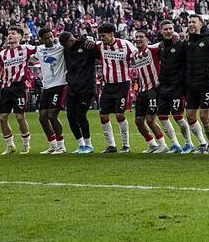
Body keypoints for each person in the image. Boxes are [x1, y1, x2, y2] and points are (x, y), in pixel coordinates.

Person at [0, 26, 35, 155]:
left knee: (20, 117)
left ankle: (26, 144)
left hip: (19, 87)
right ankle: (10, 145)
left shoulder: (26, 49)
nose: (10, 35)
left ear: (20, 36)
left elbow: (42, 51)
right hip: (6, 88)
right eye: (9, 33)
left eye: (13, 33)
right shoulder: (3, 53)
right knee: (2, 118)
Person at [154, 20, 193, 154]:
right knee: (162, 116)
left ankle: (189, 143)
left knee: (178, 116)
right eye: (166, 29)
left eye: (171, 28)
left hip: (177, 86)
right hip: (164, 86)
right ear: (161, 31)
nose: (169, 31)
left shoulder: (180, 44)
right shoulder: (160, 46)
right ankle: (175, 145)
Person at [95, 22, 136, 154]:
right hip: (108, 85)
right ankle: (111, 145)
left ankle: (126, 145)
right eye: (100, 36)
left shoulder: (126, 45)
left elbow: (137, 56)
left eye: (104, 36)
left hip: (122, 84)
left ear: (112, 34)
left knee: (119, 114)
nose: (102, 38)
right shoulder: (99, 46)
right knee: (103, 115)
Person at [60, 32, 100, 154]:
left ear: (71, 40)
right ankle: (81, 145)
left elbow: (99, 54)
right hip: (72, 88)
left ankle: (89, 145)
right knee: (71, 116)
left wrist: (93, 41)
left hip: (87, 88)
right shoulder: (66, 50)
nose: (66, 47)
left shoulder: (86, 44)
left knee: (81, 115)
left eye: (66, 44)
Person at [182, 15, 209, 154]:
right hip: (191, 84)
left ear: (201, 24)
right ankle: (202, 143)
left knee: (204, 115)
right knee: (190, 116)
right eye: (189, 22)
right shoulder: (187, 41)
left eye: (194, 22)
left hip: (206, 83)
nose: (191, 24)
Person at [131, 31, 168, 154]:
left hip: (154, 90)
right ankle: (152, 144)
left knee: (150, 120)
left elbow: (164, 43)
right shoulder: (134, 55)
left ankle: (163, 145)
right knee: (138, 121)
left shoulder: (153, 49)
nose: (138, 39)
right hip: (142, 91)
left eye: (141, 37)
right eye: (136, 37)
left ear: (147, 39)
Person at [33, 27, 68, 154]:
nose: (50, 39)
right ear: (41, 39)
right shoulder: (39, 49)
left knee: (52, 115)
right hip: (46, 87)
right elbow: (29, 55)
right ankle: (53, 145)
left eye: (51, 36)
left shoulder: (61, 46)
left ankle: (61, 146)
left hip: (60, 85)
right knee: (42, 117)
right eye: (46, 38)